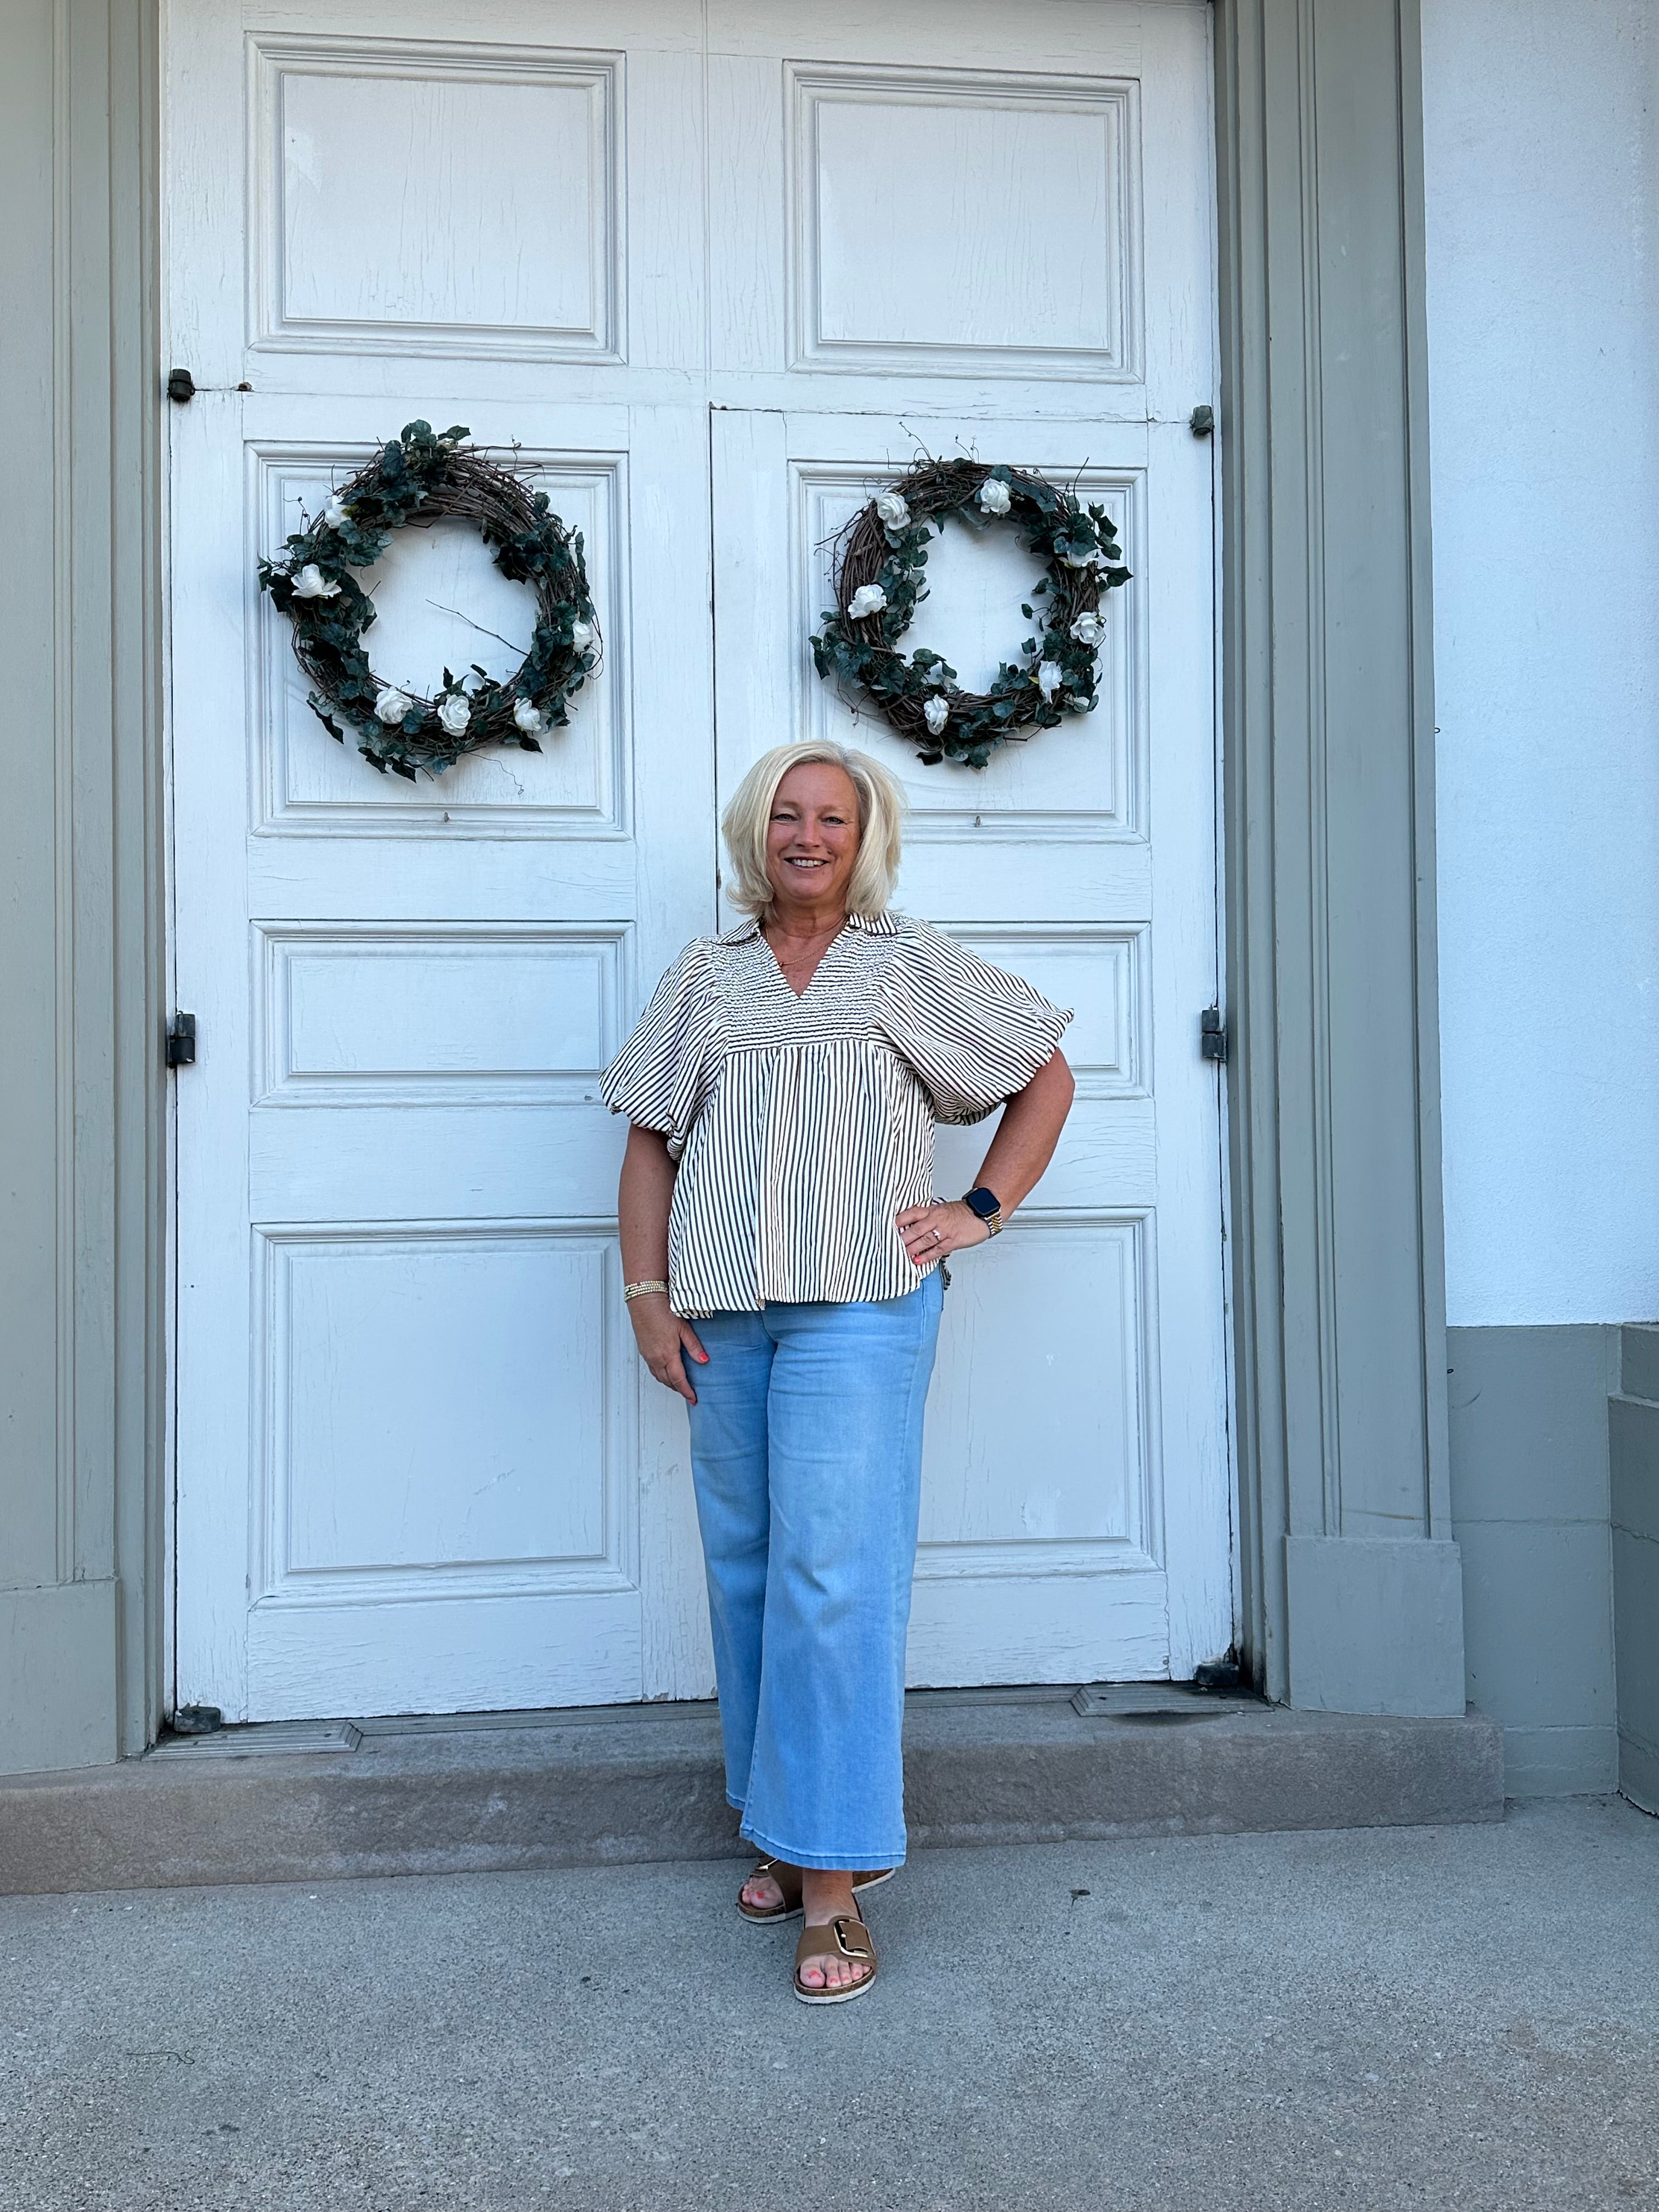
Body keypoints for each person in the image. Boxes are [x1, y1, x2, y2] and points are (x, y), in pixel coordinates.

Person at [601, 739, 1074, 2004]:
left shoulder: (901, 965)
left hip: (862, 1309)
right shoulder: (705, 978)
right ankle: (779, 1818)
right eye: (788, 816)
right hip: (724, 1316)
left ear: (866, 843)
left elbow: (1040, 1071)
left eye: (834, 820)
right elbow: (652, 1141)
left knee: (834, 1581)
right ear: (756, 831)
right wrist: (647, 1296)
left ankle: (833, 1885)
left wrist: (977, 1207)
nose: (809, 836)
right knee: (753, 1571)